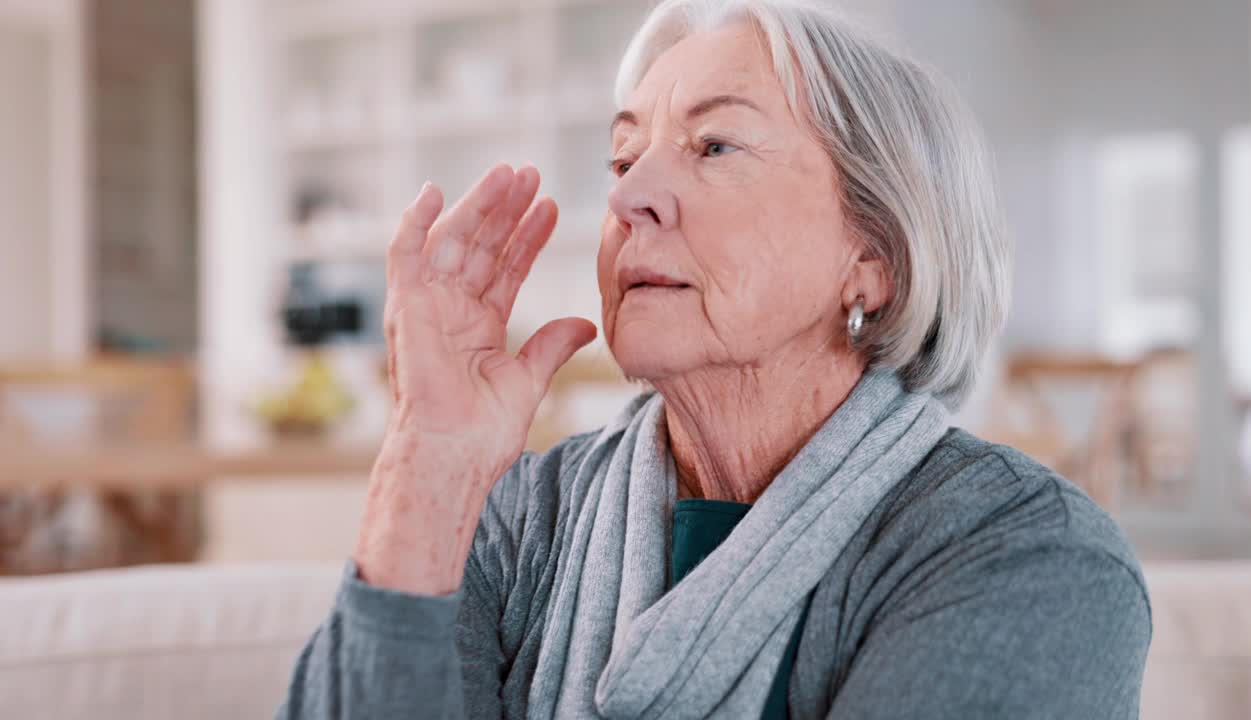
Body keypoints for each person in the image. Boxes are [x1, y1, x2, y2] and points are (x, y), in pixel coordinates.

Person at [277, 0, 1151, 717]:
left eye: (715, 146)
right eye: (623, 156)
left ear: (875, 258)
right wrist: (427, 463)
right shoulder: (518, 519)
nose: (627, 195)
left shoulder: (1024, 557)